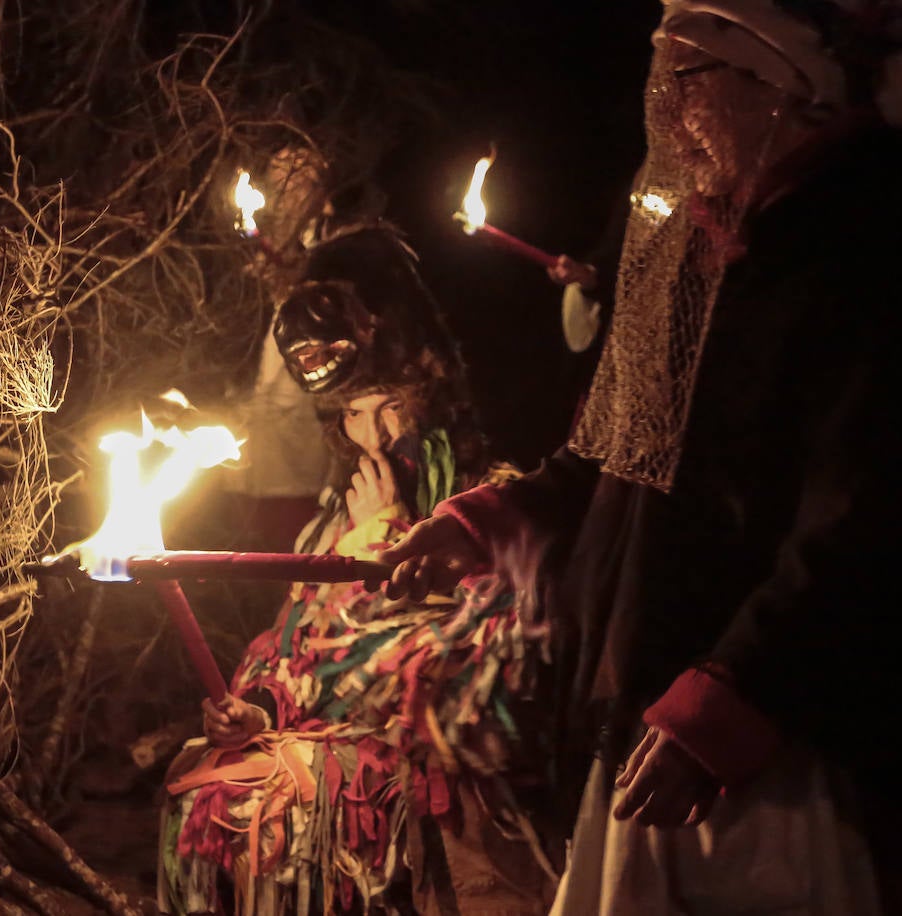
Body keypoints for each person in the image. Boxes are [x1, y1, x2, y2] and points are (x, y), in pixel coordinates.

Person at [381, 2, 902, 912]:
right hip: (650, 705)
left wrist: (734, 699)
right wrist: (493, 519)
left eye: (689, 78)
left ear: (778, 85)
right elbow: (620, 455)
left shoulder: (865, 241)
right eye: (659, 75)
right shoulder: (700, 240)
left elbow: (871, 510)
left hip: (786, 742)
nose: (664, 107)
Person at [158, 226, 555, 915]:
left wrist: (386, 543)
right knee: (210, 790)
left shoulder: (493, 506)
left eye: (389, 405)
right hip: (333, 745)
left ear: (429, 388)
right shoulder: (336, 515)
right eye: (351, 412)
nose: (372, 434)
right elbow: (296, 649)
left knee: (288, 812)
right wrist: (257, 708)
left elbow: (480, 699)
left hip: (432, 779)